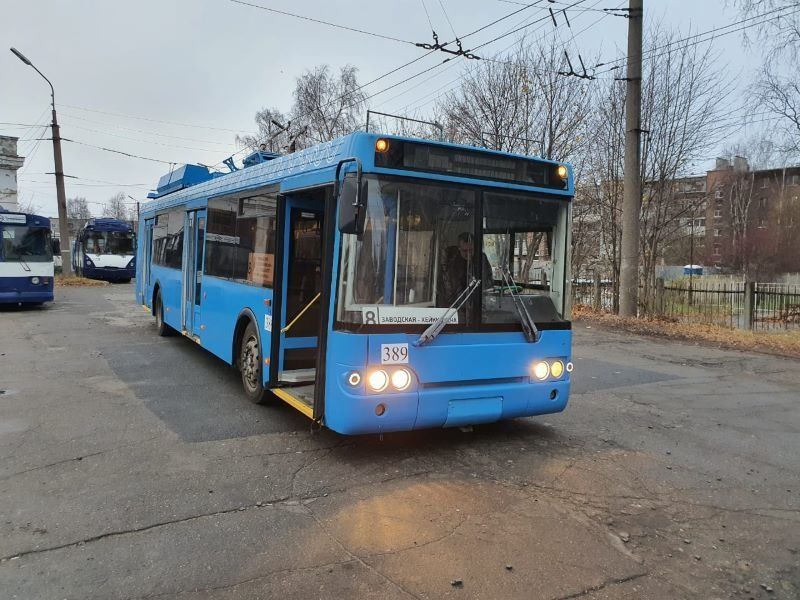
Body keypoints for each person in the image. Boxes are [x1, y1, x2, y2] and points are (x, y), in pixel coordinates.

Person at [440, 232, 494, 309]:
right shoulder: (453, 262)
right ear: (459, 248)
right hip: (458, 304)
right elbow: (449, 287)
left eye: (471, 250)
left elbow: (489, 280)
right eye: (465, 251)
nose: (468, 254)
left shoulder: (482, 259)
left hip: (479, 303)